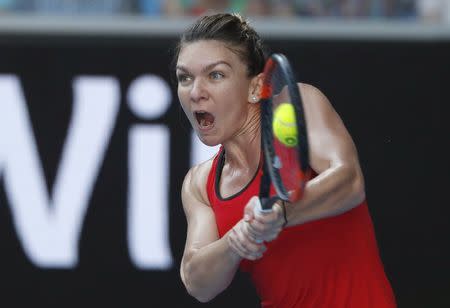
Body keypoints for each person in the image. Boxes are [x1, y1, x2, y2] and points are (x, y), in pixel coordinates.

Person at [173, 12, 397, 307]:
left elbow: (349, 182)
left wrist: (280, 213)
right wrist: (237, 239)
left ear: (255, 87)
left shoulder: (293, 108)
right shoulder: (200, 184)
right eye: (185, 78)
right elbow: (197, 282)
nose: (196, 92)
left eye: (216, 75)